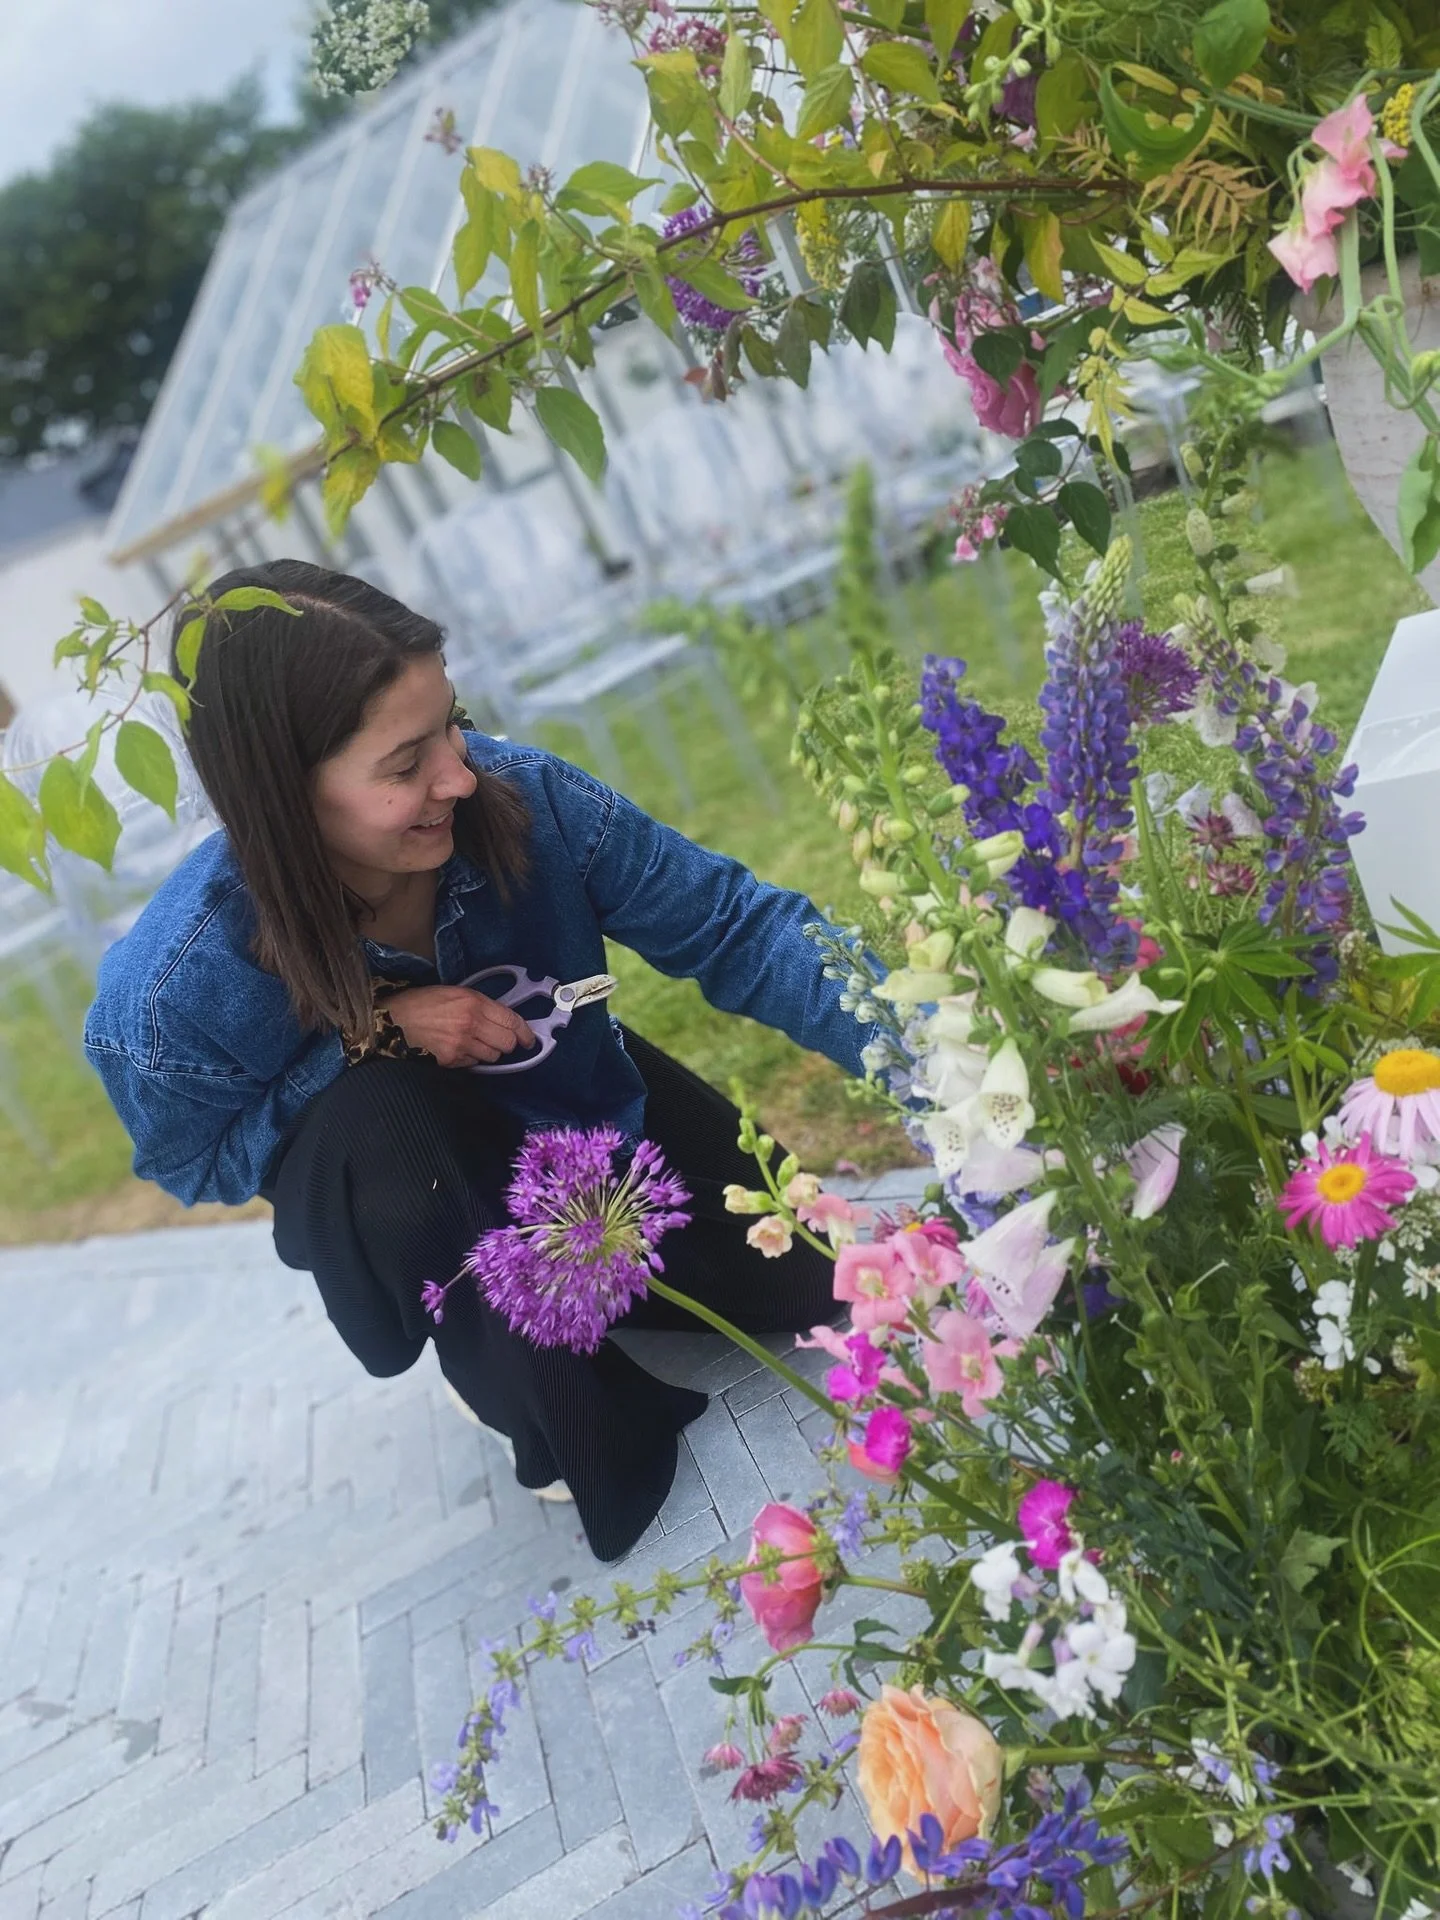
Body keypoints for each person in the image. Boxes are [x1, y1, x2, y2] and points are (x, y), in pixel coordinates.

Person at [85, 560, 872, 1560]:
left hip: (573, 1109)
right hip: (408, 1179)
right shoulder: (173, 991)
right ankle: (526, 1384)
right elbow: (194, 1161)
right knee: (391, 1128)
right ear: (283, 797)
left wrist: (945, 1057)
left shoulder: (524, 798)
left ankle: (592, 1261)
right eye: (405, 763)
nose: (458, 775)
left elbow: (735, 929)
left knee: (818, 1284)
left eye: (451, 724)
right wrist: (373, 1036)